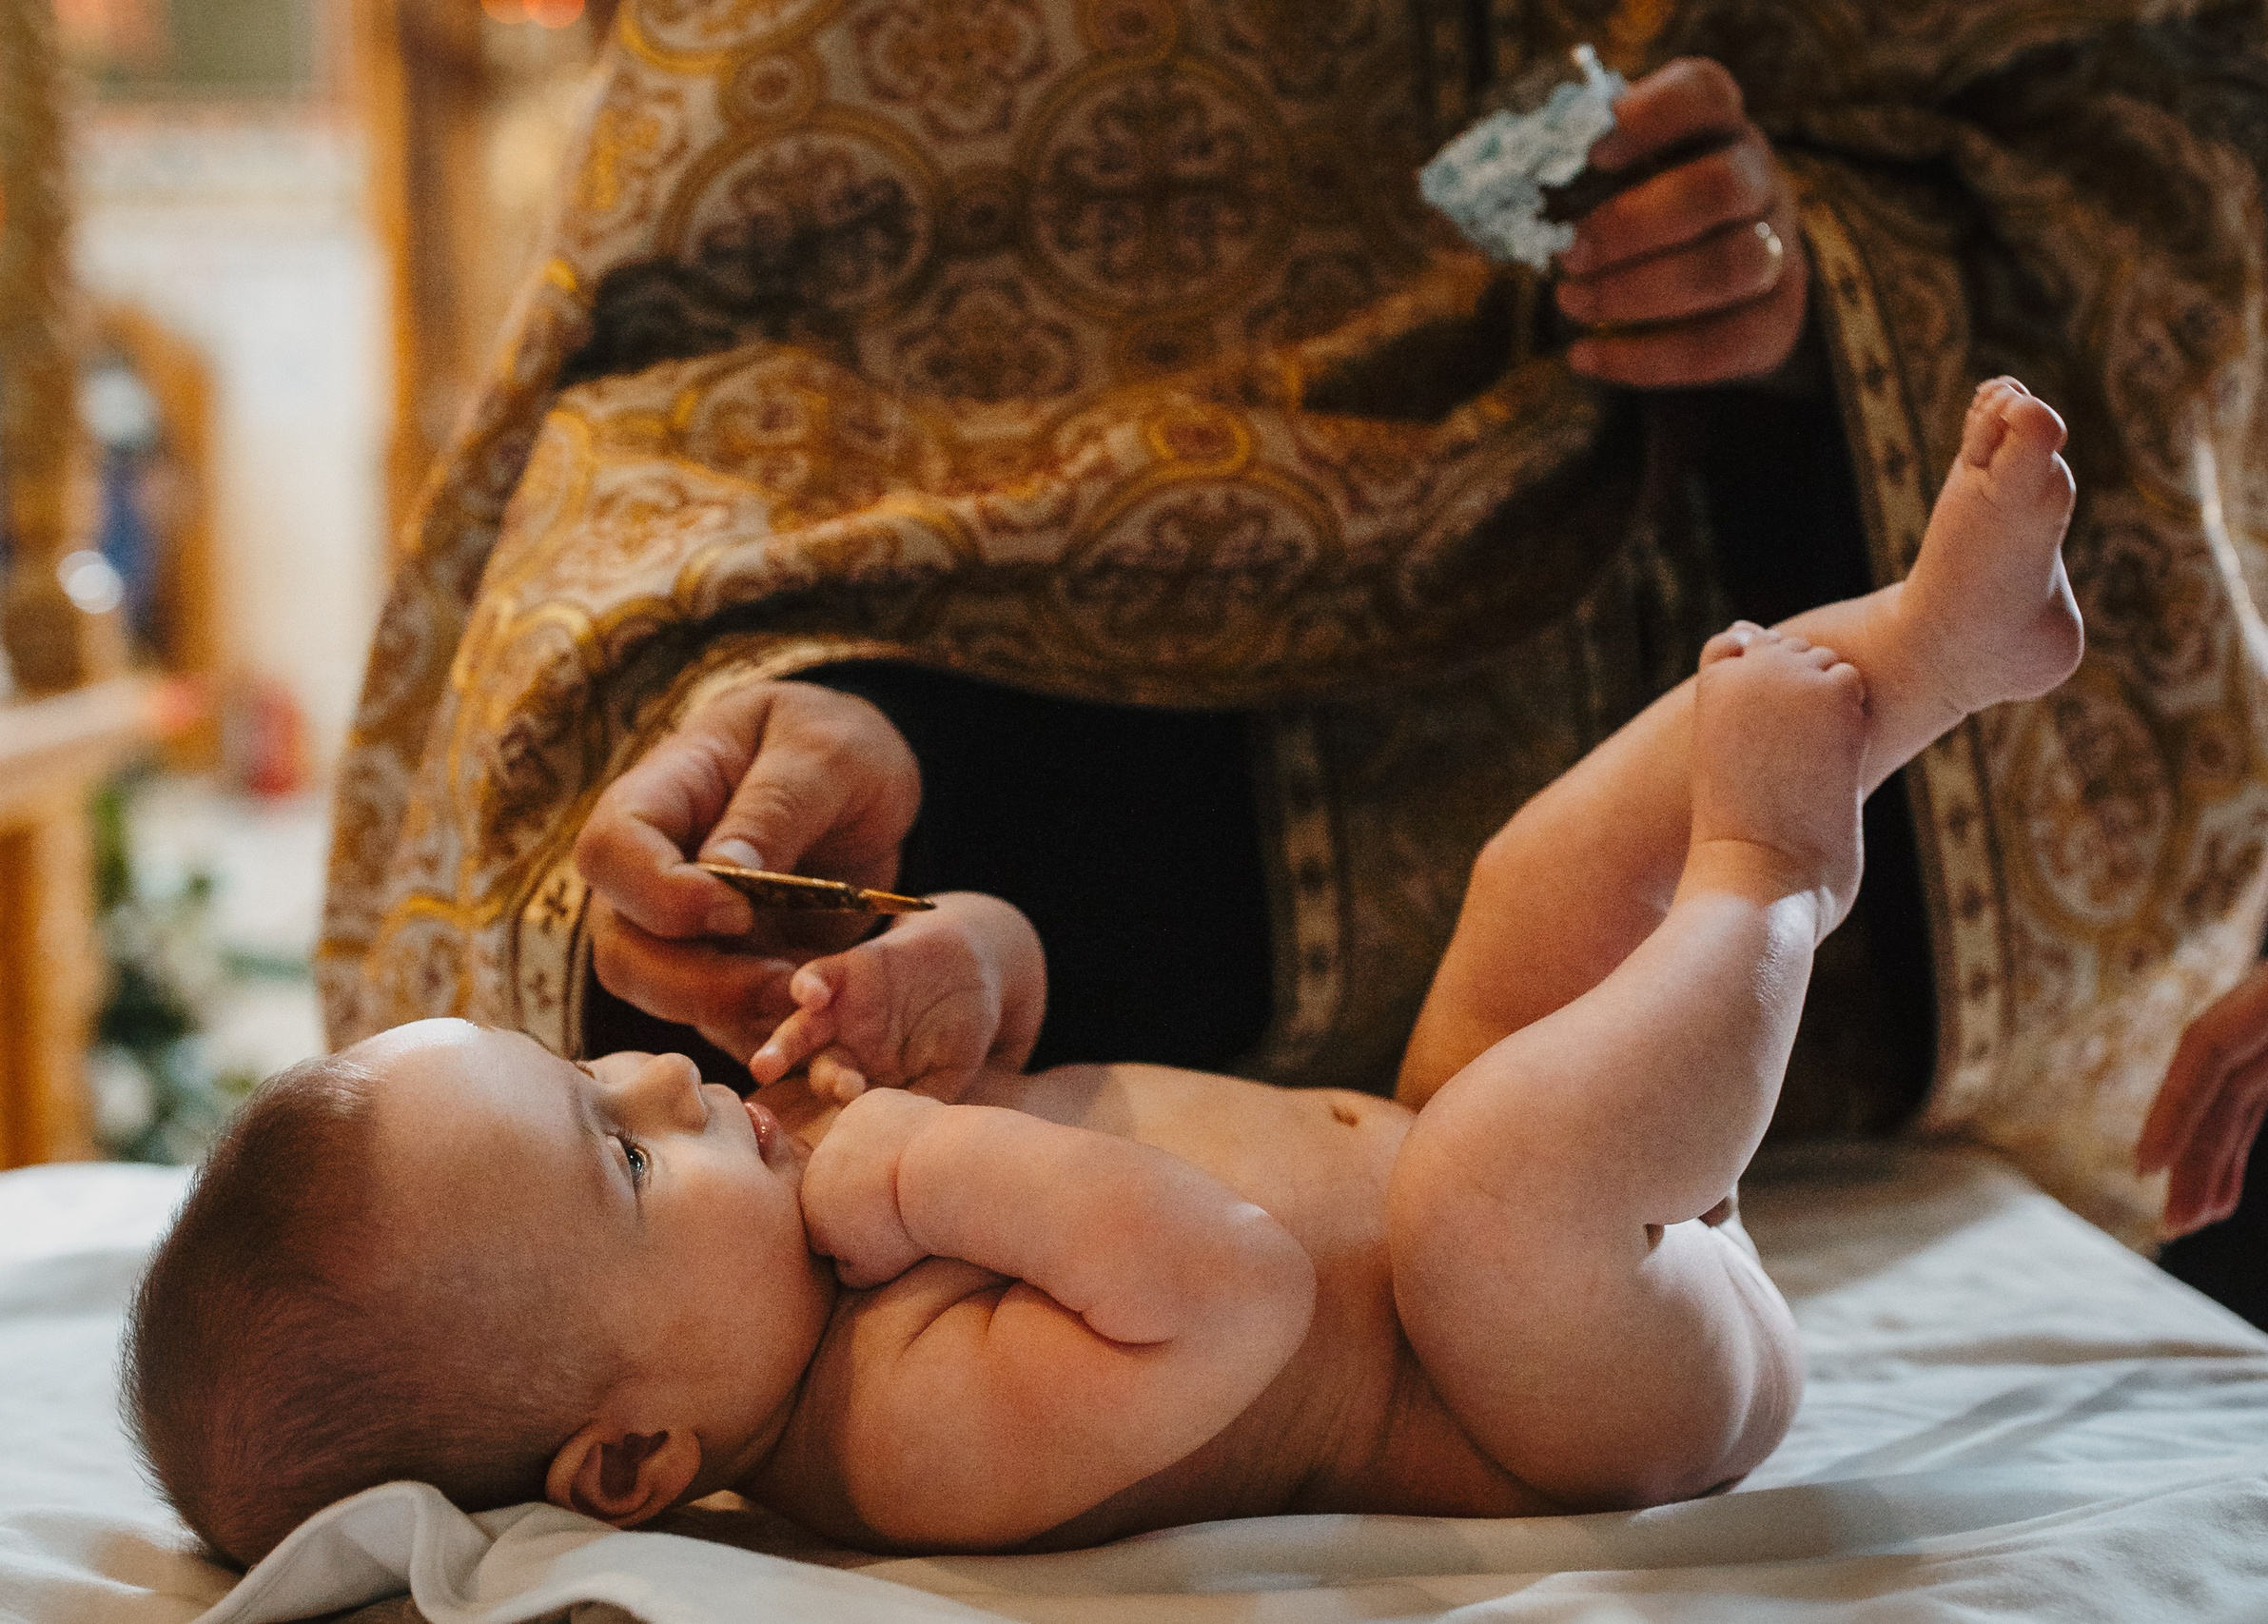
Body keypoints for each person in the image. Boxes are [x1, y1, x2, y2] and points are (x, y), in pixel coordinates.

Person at [321, 1, 2268, 1274]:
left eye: (647, 1120)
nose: (682, 1107)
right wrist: (857, 720)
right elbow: (716, 363)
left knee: (1563, 896)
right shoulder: (831, 1369)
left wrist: (1824, 284)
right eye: (648, 1141)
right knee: (569, 1032)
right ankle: (1844, 739)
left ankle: (1889, 683)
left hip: (1693, 578)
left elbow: (2162, 107)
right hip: (1423, 1107)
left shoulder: (870, 1369)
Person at [139, 381, 2079, 1564]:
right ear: (632, 1456)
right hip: (1561, 1377)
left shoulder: (813, 1232)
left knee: (1527, 878)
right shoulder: (892, 1435)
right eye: (621, 1153)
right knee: (1491, 1185)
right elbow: (1219, 1285)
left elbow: (1045, 1001)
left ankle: (1932, 645)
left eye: (606, 1080)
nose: (657, 1076)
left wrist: (960, 974)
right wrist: (920, 1160)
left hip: (1445, 1147)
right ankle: (1768, 873)